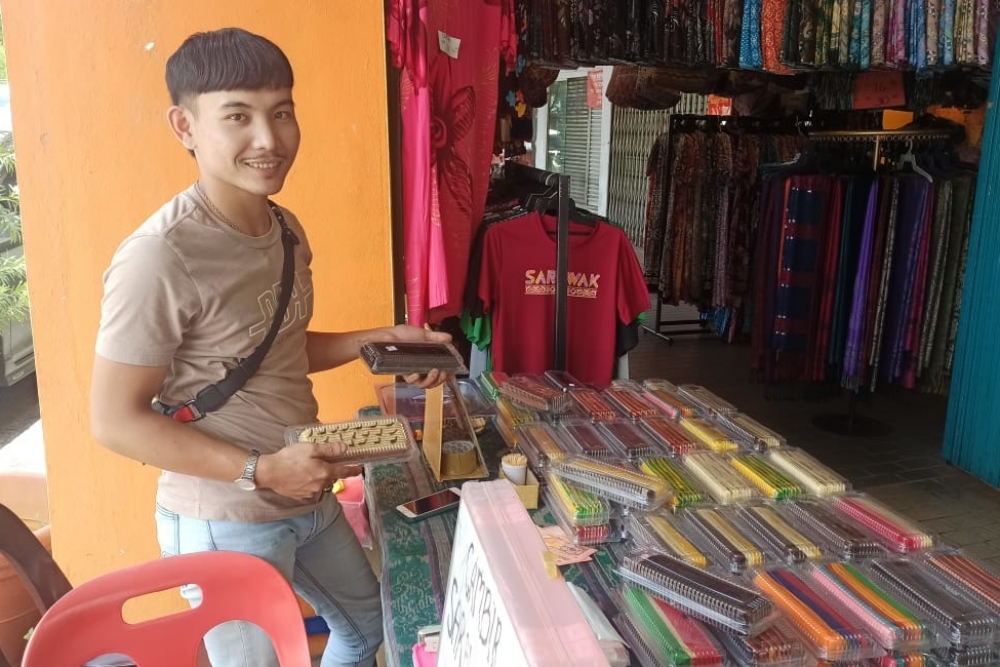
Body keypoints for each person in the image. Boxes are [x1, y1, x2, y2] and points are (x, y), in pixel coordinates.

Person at [90, 27, 450, 667]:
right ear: (185, 126)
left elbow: (275, 349)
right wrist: (261, 471)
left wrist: (377, 340)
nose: (269, 139)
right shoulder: (158, 257)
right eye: (238, 116)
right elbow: (114, 421)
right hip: (224, 517)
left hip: (304, 489)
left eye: (281, 112)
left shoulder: (286, 230)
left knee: (369, 630)